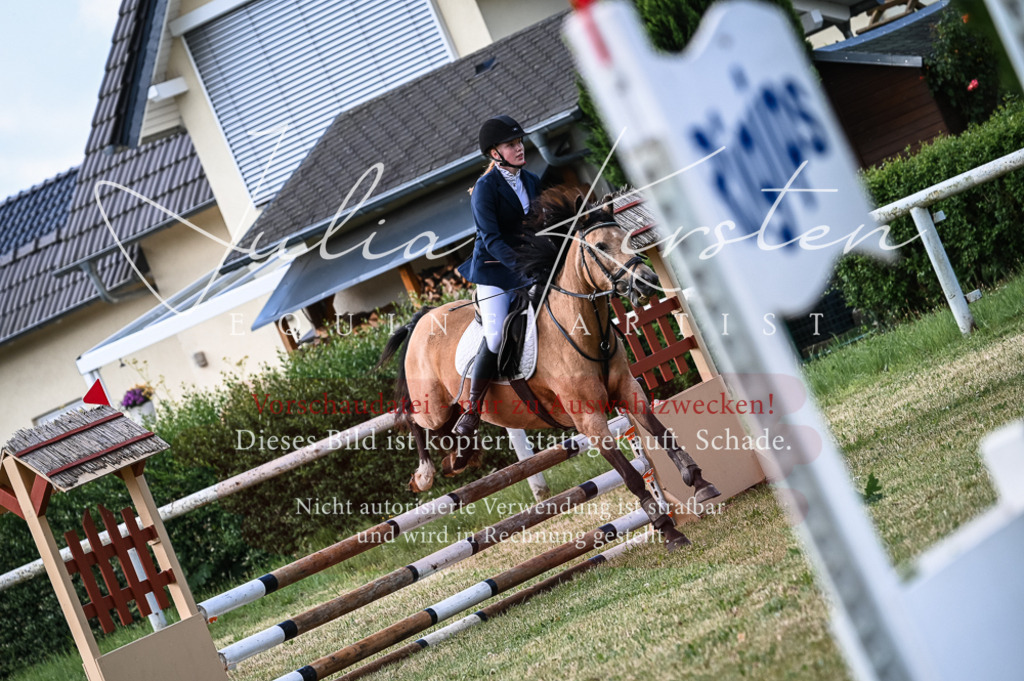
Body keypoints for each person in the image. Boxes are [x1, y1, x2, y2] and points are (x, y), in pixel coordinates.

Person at [453, 115, 541, 441]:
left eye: (519, 142)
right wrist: (522, 269)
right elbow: (491, 239)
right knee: (494, 336)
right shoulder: (484, 190)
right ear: (495, 152)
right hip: (495, 271)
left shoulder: (531, 180)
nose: (519, 148)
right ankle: (472, 410)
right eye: (511, 144)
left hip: (529, 266)